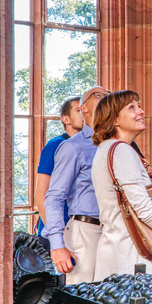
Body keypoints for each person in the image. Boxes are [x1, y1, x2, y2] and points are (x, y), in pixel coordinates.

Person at [44, 86, 109, 304]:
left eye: (108, 94)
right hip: (84, 232)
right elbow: (53, 197)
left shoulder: (119, 145)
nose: (105, 97)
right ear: (82, 110)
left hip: (116, 235)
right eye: (97, 95)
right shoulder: (71, 147)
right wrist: (57, 244)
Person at [91, 90, 152, 279]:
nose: (141, 111)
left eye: (139, 106)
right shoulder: (121, 151)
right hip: (132, 254)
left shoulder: (105, 149)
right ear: (115, 119)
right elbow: (144, 208)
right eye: (132, 108)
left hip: (113, 247)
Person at [34, 96, 86, 251]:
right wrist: (55, 236)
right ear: (66, 119)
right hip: (59, 229)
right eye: (78, 110)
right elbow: (41, 194)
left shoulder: (88, 146)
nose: (83, 114)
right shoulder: (56, 145)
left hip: (79, 229)